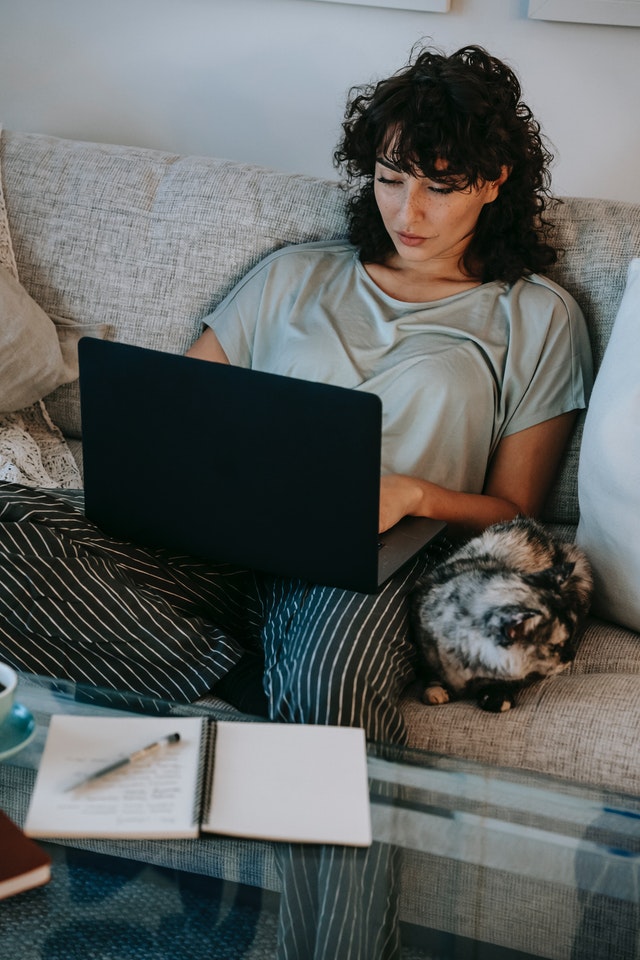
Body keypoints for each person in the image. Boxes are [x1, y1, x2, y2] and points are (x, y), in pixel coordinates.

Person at [0, 44, 591, 959]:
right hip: (207, 539)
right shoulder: (294, 274)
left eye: (441, 185)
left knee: (330, 687)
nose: (411, 211)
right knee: (9, 528)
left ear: (495, 182)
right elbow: (168, 420)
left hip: (359, 562)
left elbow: (518, 514)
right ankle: (244, 687)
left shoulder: (532, 314)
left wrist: (415, 492)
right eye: (392, 179)